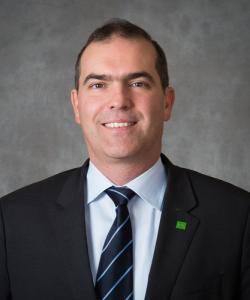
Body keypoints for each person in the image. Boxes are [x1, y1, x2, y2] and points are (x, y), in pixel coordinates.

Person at [0, 19, 249, 300]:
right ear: (76, 105)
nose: (119, 100)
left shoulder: (238, 218)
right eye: (98, 85)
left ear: (167, 102)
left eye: (138, 83)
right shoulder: (11, 221)